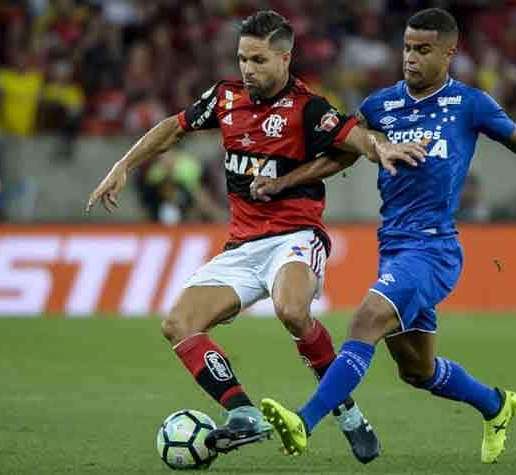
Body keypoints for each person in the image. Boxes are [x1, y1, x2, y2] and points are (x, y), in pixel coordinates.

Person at [253, 7, 516, 465]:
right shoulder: (380, 105)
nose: (410, 58)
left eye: (423, 50)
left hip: (433, 248)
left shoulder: (470, 104)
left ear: (449, 53)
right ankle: (496, 405)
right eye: (406, 48)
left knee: (365, 322)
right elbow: (344, 156)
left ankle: (304, 422)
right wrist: (283, 182)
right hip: (394, 246)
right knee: (417, 370)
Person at [85, 10, 424, 463]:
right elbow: (172, 128)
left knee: (291, 311)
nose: (248, 69)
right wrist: (122, 166)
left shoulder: (308, 109)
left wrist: (381, 148)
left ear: (284, 58)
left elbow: (355, 138)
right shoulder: (225, 99)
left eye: (259, 60)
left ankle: (347, 413)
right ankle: (243, 413)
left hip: (295, 236)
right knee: (177, 324)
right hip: (242, 245)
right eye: (243, 58)